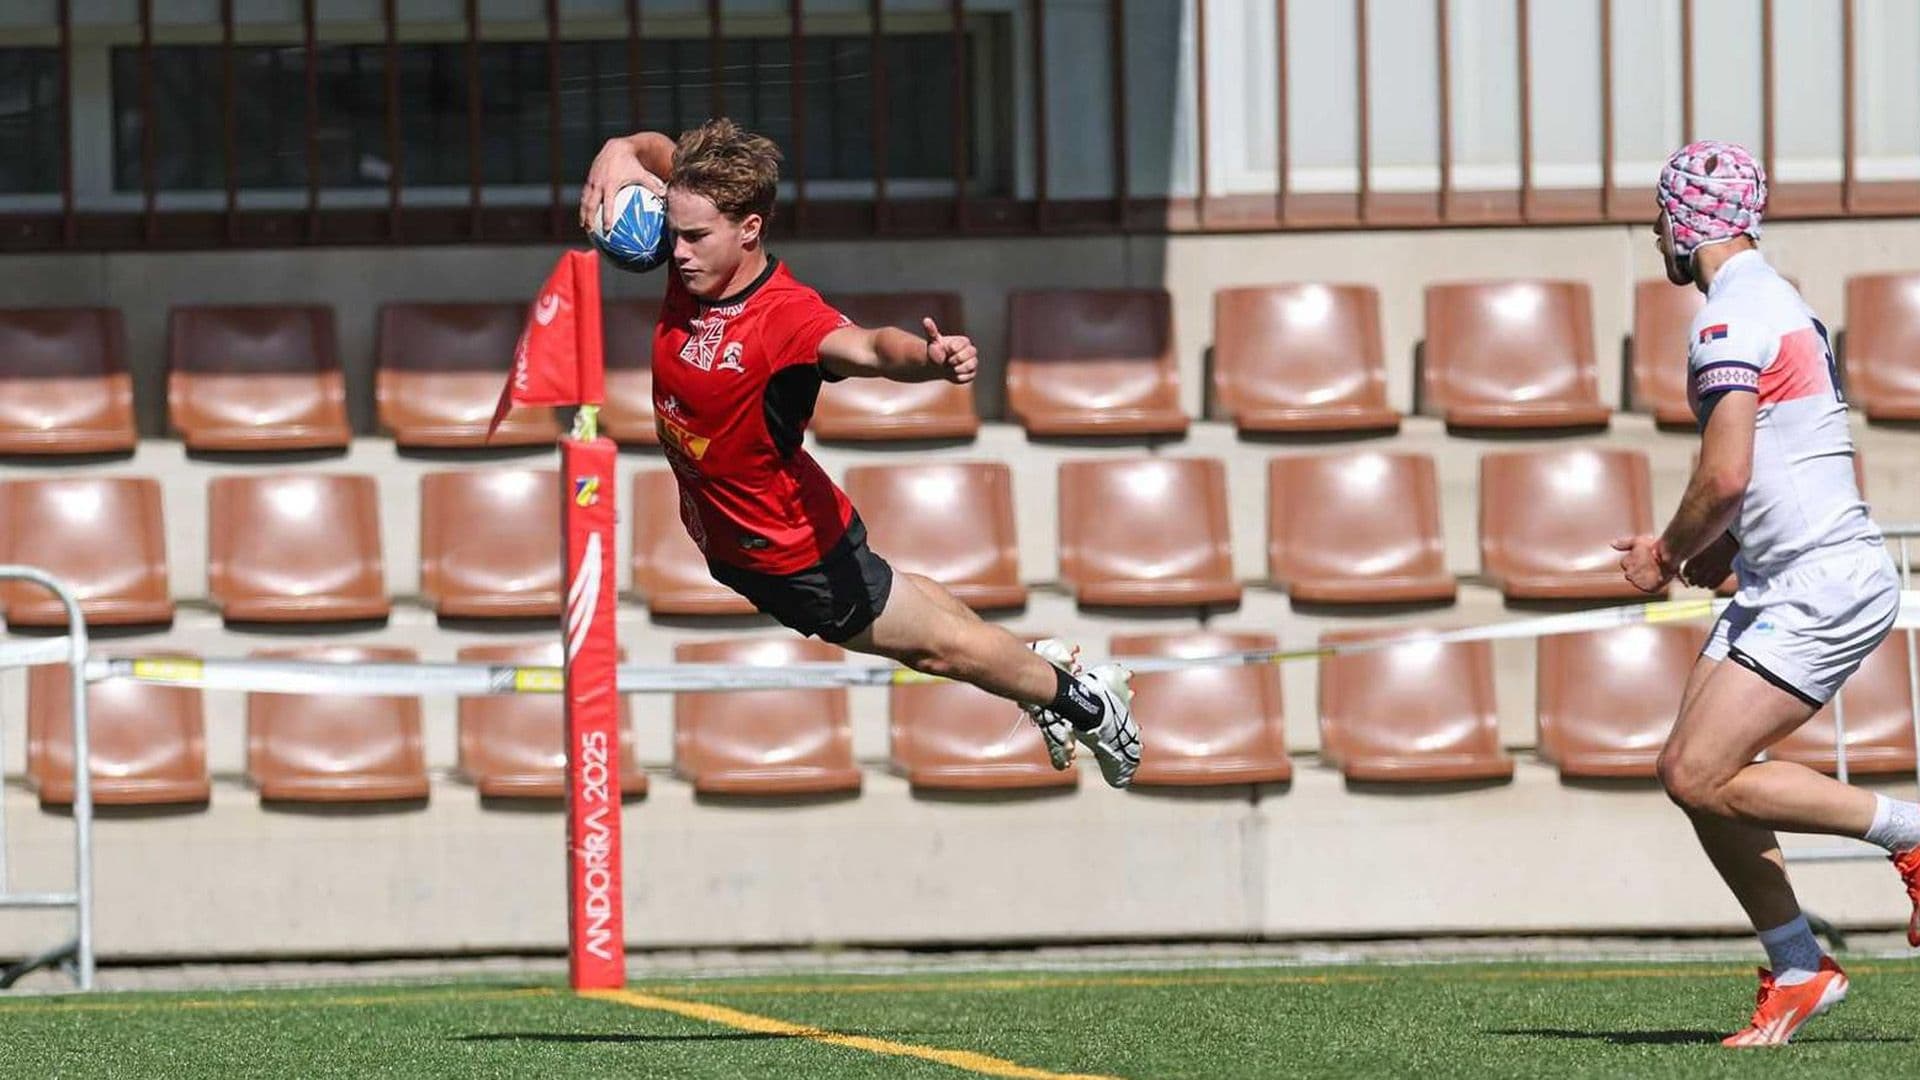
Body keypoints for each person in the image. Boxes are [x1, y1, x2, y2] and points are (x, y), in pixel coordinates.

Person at [578, 119, 1140, 787]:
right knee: (919, 609)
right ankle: (1039, 672)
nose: (678, 252)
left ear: (749, 230)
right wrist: (618, 152)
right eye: (674, 234)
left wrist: (929, 361)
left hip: (796, 558)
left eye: (695, 238)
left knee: (941, 650)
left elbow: (870, 348)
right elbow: (654, 150)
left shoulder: (784, 318)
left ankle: (1086, 704)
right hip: (764, 531)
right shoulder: (699, 257)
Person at [1615, 139, 1919, 1047]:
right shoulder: (1770, 301)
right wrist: (1728, 553)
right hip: (1786, 578)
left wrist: (1668, 554)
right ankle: (1797, 964)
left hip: (1818, 586)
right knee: (1693, 779)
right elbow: (1792, 454)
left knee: (1700, 770)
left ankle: (1909, 833)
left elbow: (1730, 471)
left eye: (1660, 216)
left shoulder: (1728, 318)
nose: (1657, 231)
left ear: (1679, 223)